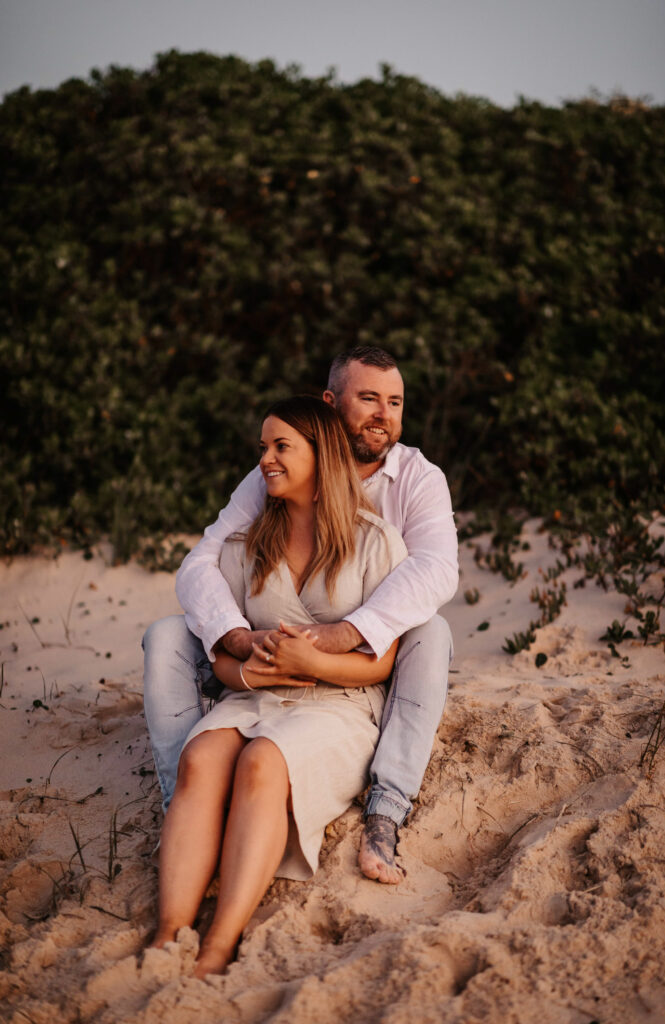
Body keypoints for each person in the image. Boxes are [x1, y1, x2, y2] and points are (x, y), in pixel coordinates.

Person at [143, 346, 458, 885]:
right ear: (330, 404)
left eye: (395, 402)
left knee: (433, 630)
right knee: (169, 633)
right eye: (369, 399)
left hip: (363, 664)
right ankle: (186, 797)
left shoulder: (417, 479)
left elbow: (435, 569)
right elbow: (204, 559)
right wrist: (238, 637)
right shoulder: (278, 467)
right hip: (267, 652)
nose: (384, 414)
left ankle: (385, 808)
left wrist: (341, 635)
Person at [152, 396, 407, 977]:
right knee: (201, 756)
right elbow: (221, 657)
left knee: (262, 762)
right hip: (254, 696)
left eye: (280, 447)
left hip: (340, 704)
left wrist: (310, 662)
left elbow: (381, 664)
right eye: (263, 448)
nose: (265, 459)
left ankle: (220, 941)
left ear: (321, 455)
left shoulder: (374, 541)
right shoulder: (246, 545)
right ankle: (169, 932)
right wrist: (248, 671)